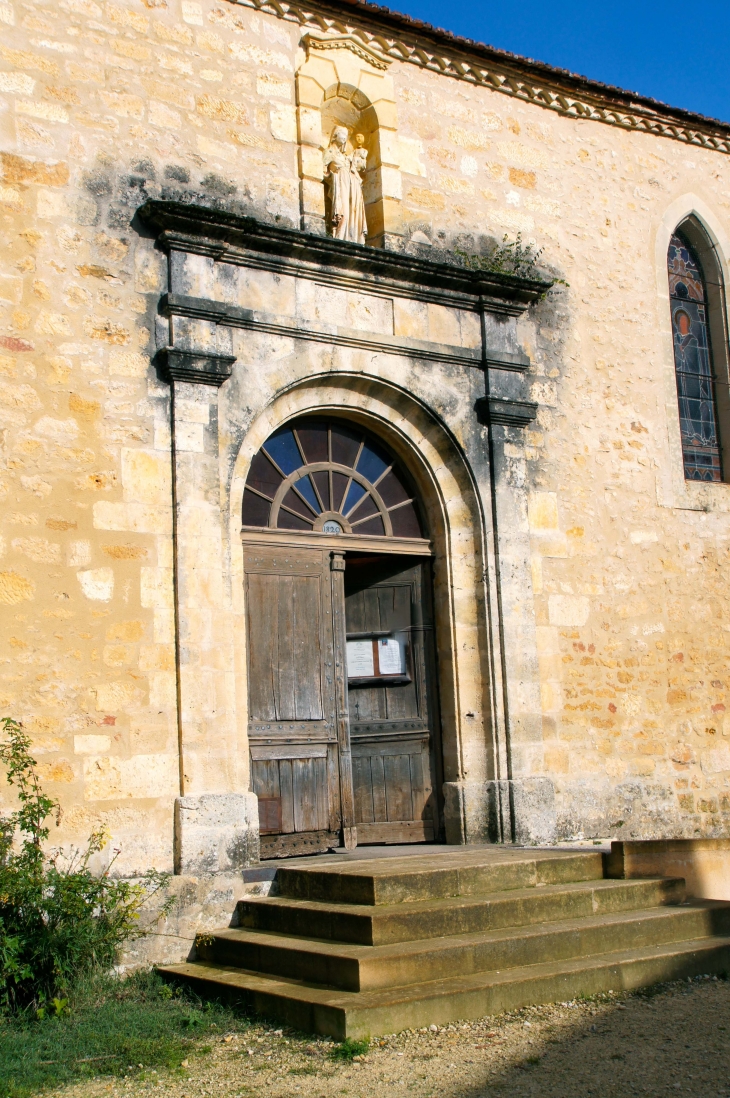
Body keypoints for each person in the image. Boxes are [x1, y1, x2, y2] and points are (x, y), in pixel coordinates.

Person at [324, 126, 367, 244]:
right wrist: (332, 177)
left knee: (353, 214)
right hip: (341, 184)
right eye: (342, 134)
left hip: (352, 187)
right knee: (344, 214)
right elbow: (322, 171)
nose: (344, 137)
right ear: (335, 136)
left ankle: (353, 238)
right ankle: (340, 237)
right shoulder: (330, 152)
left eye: (346, 135)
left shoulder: (345, 156)